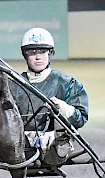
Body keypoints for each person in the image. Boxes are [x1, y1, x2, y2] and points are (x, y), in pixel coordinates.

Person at [11, 27, 89, 163]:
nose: (38, 57)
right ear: (25, 55)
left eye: (42, 51)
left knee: (59, 121)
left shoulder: (66, 83)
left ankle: (61, 145)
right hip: (21, 147)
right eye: (32, 52)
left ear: (50, 53)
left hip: (54, 147)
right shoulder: (14, 84)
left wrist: (64, 108)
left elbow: (81, 117)